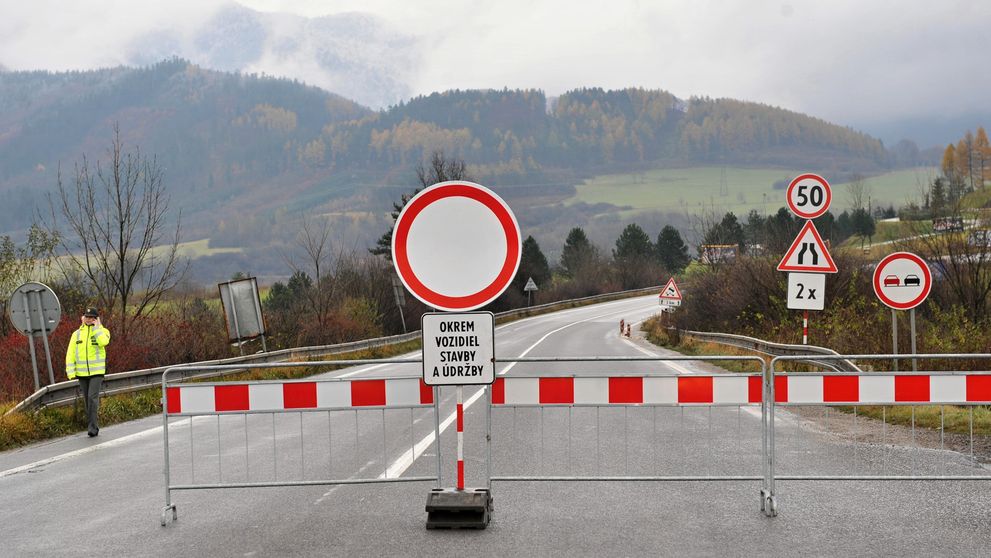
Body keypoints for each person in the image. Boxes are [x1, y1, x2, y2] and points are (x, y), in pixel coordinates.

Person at [65, 307, 111, 437]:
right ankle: (93, 425)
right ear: (83, 317)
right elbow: (70, 353)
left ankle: (92, 428)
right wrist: (70, 371)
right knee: (87, 401)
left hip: (97, 372)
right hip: (82, 373)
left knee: (92, 398)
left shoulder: (103, 331)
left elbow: (104, 342)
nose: (89, 319)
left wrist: (97, 328)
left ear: (96, 319)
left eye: (92, 317)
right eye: (87, 316)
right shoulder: (76, 334)